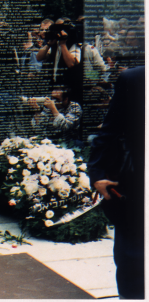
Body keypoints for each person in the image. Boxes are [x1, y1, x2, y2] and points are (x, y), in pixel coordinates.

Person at [88, 66, 144, 299]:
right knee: (133, 258)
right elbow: (109, 130)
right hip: (138, 186)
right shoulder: (135, 79)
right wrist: (97, 173)